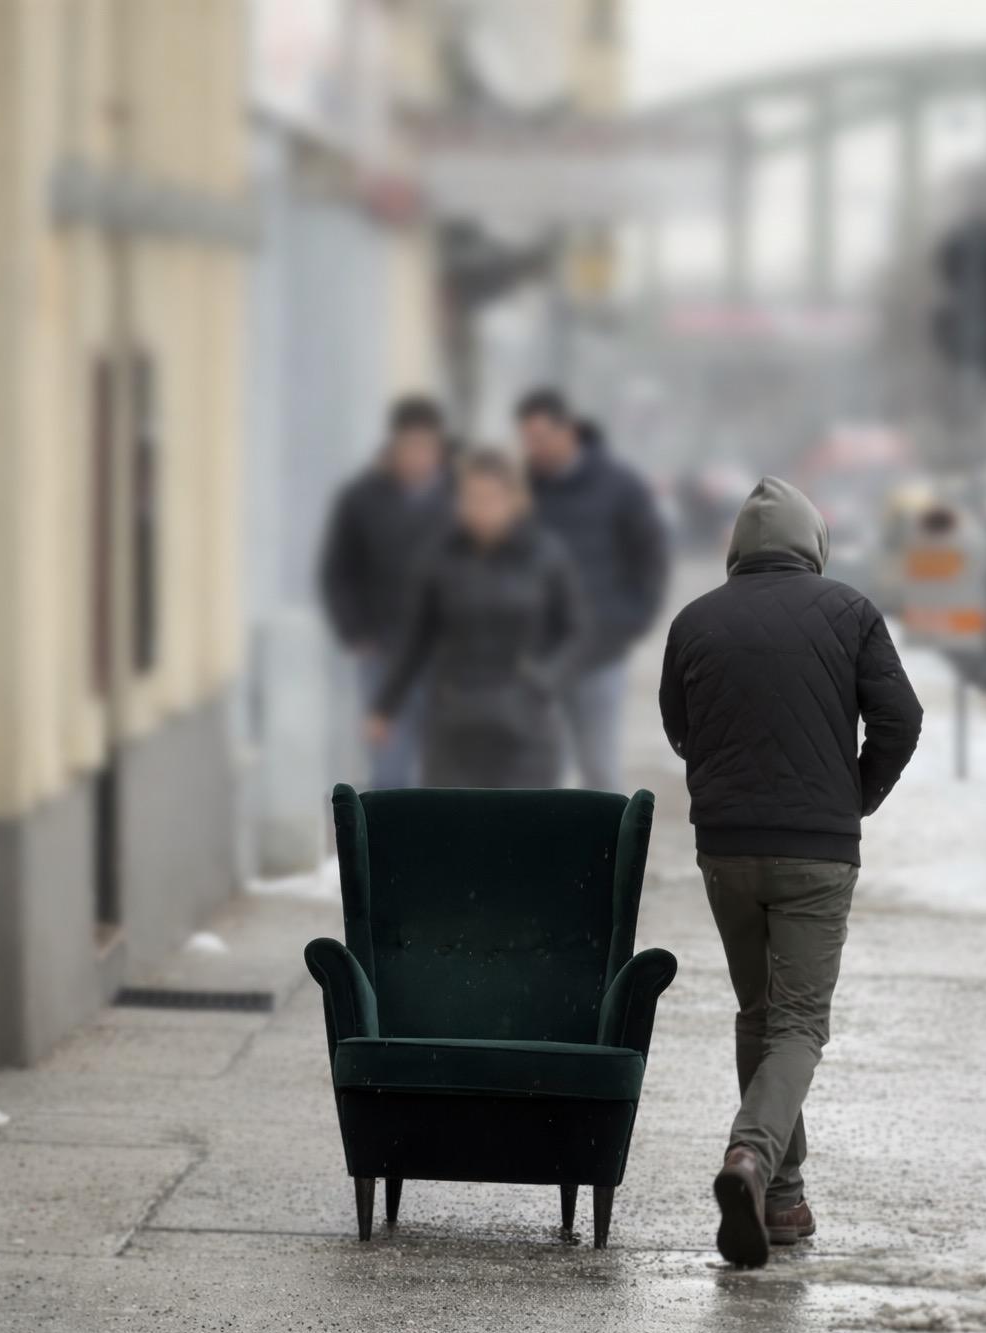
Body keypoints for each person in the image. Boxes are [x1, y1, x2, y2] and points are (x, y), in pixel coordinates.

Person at [659, 476, 922, 1267]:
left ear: (738, 548)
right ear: (814, 545)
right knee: (800, 1023)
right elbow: (901, 718)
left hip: (728, 849)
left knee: (759, 1014)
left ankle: (781, 1198)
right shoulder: (849, 612)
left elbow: (680, 728)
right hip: (815, 849)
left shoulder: (695, 620)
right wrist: (857, 795)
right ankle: (750, 1155)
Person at [367, 449, 585, 789]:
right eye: (470, 498)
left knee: (522, 831)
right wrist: (385, 707)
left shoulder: (546, 556)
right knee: (457, 832)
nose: (479, 509)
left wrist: (544, 680)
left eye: (490, 499)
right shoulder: (438, 557)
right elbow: (415, 639)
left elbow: (576, 632)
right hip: (455, 717)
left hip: (525, 718)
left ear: (515, 500)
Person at [516, 388, 669, 791]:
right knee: (540, 773)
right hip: (538, 655)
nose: (534, 448)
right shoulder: (522, 491)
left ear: (567, 431)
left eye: (541, 438)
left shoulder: (620, 487)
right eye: (527, 440)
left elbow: (651, 560)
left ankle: (608, 853)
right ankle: (545, 854)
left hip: (601, 654)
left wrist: (628, 622)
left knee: (598, 768)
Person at [319, 396, 452, 789]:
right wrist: (354, 632)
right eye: (409, 446)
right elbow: (337, 571)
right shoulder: (361, 499)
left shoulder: (463, 498)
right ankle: (390, 846)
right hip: (383, 648)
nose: (418, 457)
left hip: (447, 656)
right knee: (389, 767)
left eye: (426, 447)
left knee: (444, 770)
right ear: (393, 446)